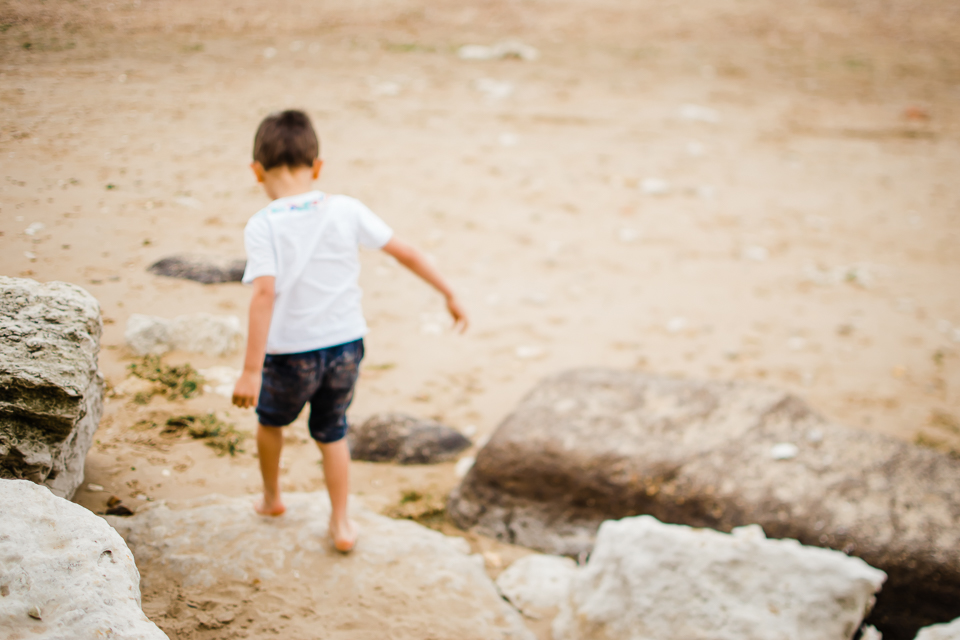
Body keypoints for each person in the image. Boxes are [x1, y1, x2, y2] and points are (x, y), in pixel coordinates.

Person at [231, 110, 468, 552]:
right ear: (318, 166)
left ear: (256, 170)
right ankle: (341, 524)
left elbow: (264, 294)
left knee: (271, 421)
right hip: (346, 346)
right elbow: (407, 252)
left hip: (289, 354)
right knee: (333, 430)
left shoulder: (263, 223)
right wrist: (448, 292)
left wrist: (250, 370)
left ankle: (271, 498)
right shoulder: (345, 208)